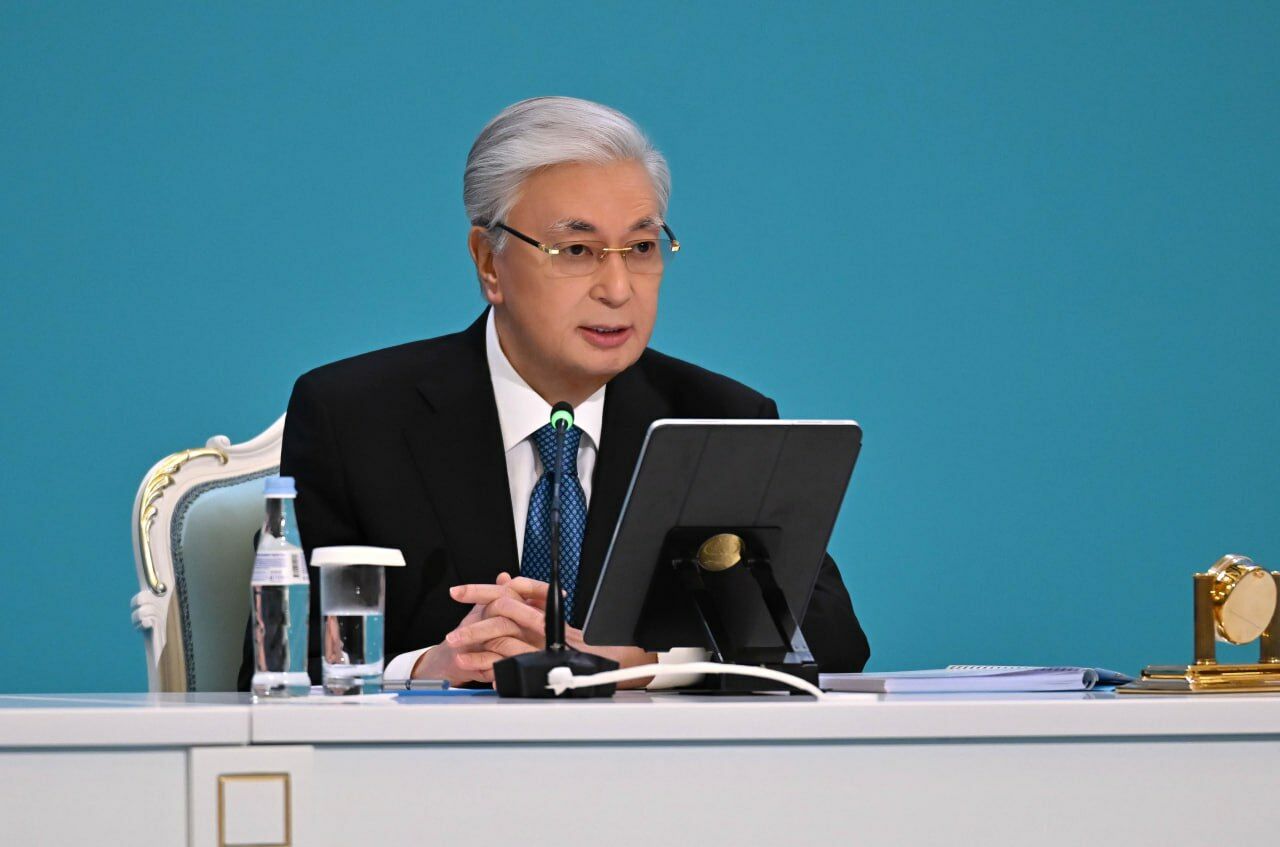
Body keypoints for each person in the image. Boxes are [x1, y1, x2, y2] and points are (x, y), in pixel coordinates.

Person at [237, 96, 869, 691]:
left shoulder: (718, 419)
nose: (618, 289)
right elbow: (278, 665)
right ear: (489, 262)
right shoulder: (355, 417)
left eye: (641, 248)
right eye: (576, 250)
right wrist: (431, 667)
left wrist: (648, 663)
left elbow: (830, 637)